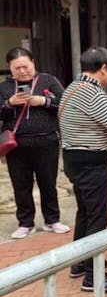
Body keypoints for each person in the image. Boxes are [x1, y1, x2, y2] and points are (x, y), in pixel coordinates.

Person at [59, 46, 107, 292]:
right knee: (99, 215)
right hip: (90, 161)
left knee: (86, 213)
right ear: (105, 68)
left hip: (75, 158)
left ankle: (80, 261)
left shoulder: (73, 87)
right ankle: (93, 276)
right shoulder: (92, 92)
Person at [0, 47, 69, 239]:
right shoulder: (4, 87)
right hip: (16, 145)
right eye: (17, 68)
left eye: (25, 66)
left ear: (33, 63)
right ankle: (25, 223)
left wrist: (43, 101)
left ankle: (52, 220)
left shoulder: (49, 81)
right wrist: (10, 103)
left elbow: (64, 104)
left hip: (46, 141)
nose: (22, 71)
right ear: (10, 68)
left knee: (48, 182)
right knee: (21, 185)